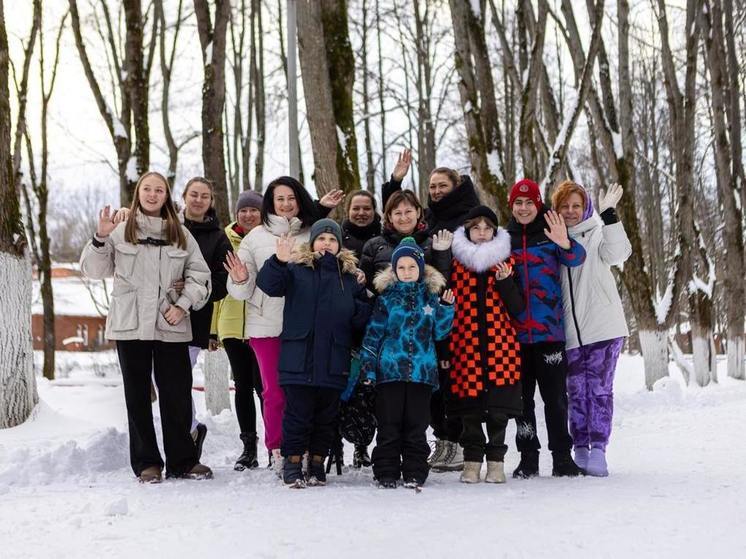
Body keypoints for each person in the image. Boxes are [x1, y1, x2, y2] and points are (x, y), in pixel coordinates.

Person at [80, 171, 212, 483]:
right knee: (137, 395)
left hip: (171, 322)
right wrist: (100, 237)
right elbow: (92, 269)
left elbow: (200, 276)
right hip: (131, 324)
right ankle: (147, 463)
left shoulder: (180, 233)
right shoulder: (120, 229)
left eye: (159, 190)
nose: (153, 195)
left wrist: (182, 305)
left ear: (167, 196)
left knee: (176, 394)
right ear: (139, 193)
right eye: (147, 189)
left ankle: (183, 460)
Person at [224, 177, 344, 476]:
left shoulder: (311, 234)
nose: (286, 204)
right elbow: (241, 290)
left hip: (306, 328)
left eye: (291, 198)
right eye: (280, 199)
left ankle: (301, 450)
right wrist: (239, 278)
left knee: (304, 394)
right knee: (275, 393)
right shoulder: (255, 238)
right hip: (267, 325)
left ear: (300, 199)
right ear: (270, 203)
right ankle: (277, 450)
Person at [381, 150, 481, 471]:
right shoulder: (433, 220)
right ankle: (445, 441)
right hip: (432, 313)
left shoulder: (468, 217)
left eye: (442, 185)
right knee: (438, 381)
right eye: (432, 186)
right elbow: (397, 219)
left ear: (457, 185)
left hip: (457, 308)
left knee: (455, 381)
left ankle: (460, 443)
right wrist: (395, 180)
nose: (436, 190)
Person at [256, 219, 372, 487]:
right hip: (299, 359)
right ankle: (293, 464)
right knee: (297, 415)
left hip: (334, 360)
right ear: (312, 243)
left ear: (340, 246)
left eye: (332, 240)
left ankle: (318, 464)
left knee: (325, 417)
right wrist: (279, 260)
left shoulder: (350, 277)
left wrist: (360, 301)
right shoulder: (297, 269)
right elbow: (268, 285)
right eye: (322, 239)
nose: (327, 244)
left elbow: (361, 318)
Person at [506, 178, 587, 478]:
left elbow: (577, 258)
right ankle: (528, 457)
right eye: (518, 203)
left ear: (537, 204)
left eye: (529, 202)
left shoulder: (549, 230)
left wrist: (563, 240)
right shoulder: (504, 239)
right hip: (514, 338)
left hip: (550, 334)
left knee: (555, 399)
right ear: (511, 207)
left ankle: (562, 457)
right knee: (522, 402)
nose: (524, 208)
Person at [360, 238, 455, 489]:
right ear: (394, 270)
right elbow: (373, 335)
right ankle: (386, 471)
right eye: (401, 268)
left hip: (422, 373)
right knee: (389, 425)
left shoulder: (431, 299)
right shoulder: (386, 300)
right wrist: (369, 369)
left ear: (421, 269)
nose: (406, 272)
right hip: (390, 372)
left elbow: (441, 333)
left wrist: (446, 309)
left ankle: (415, 470)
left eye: (412, 267)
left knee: (416, 425)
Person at [552, 181, 631, 477]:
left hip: (603, 327)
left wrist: (609, 214)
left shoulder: (598, 232)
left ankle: (598, 449)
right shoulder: (551, 239)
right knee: (576, 391)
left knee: (598, 390)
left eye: (576, 205)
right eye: (565, 206)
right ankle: (580, 448)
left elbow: (618, 253)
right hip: (570, 331)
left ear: (584, 207)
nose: (571, 211)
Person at [447, 206, 524, 484]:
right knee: (470, 410)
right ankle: (472, 461)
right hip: (464, 343)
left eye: (487, 228)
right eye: (476, 228)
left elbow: (518, 307)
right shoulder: (456, 263)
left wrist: (505, 283)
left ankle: (496, 461)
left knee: (498, 410)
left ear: (495, 232)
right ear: (467, 230)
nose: (481, 233)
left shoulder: (506, 263)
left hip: (499, 343)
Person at [211, 190, 266, 470]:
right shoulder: (225, 240)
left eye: (253, 210)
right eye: (243, 210)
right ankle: (248, 447)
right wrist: (212, 330)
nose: (248, 215)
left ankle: (275, 445)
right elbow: (218, 288)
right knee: (242, 387)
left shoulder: (269, 238)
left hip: (262, 325)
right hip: (232, 325)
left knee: (264, 387)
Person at [177, 176, 232, 458]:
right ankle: (187, 429)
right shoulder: (169, 227)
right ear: (184, 196)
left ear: (211, 201)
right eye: (194, 194)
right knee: (163, 380)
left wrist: (194, 291)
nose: (198, 200)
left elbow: (225, 282)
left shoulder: (218, 237)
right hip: (158, 318)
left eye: (205, 196)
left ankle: (188, 432)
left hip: (193, 320)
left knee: (177, 379)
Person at [359, 189, 452, 292]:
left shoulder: (433, 244)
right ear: (390, 217)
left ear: (418, 212)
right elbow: (364, 287)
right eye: (398, 213)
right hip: (385, 306)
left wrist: (442, 255)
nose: (403, 218)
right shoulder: (373, 246)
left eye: (408, 211)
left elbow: (443, 287)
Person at [341, 190, 382, 260]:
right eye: (356, 209)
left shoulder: (385, 238)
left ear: (374, 211)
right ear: (348, 211)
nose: (361, 213)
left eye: (367, 208)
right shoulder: (337, 239)